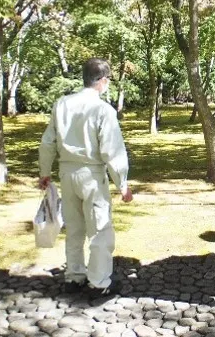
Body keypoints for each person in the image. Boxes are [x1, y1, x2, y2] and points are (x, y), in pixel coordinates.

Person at [39, 58, 133, 297]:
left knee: (74, 228)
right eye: (107, 80)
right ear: (102, 81)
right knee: (100, 228)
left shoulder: (62, 104)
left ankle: (74, 276)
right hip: (91, 174)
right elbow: (111, 150)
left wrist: (45, 172)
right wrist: (122, 183)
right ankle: (100, 282)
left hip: (66, 172)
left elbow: (48, 141)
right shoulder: (102, 110)